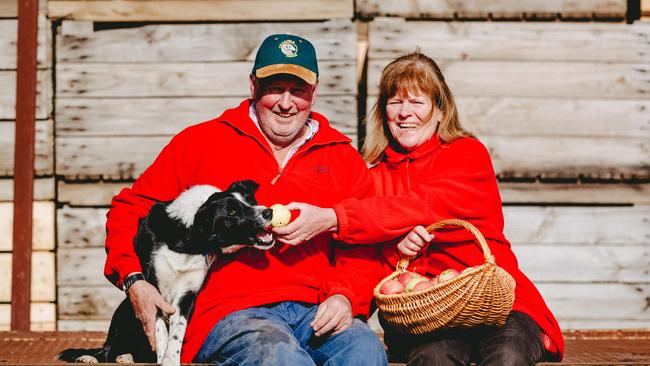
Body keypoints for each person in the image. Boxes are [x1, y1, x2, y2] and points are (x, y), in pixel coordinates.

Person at [103, 33, 387, 366]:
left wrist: (346, 296)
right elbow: (131, 209)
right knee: (280, 357)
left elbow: (364, 247)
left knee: (365, 351)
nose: (286, 103)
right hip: (231, 312)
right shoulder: (201, 142)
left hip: (318, 308)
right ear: (253, 86)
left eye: (298, 91)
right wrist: (134, 279)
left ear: (314, 91)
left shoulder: (343, 158)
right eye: (274, 89)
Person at [274, 51, 564, 365]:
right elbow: (365, 259)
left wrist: (333, 217)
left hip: (495, 307)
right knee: (433, 359)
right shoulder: (373, 177)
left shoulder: (467, 154)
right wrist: (385, 261)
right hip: (422, 316)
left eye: (417, 102)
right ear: (383, 112)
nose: (404, 113)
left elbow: (425, 205)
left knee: (508, 354)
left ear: (440, 111)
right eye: (395, 102)